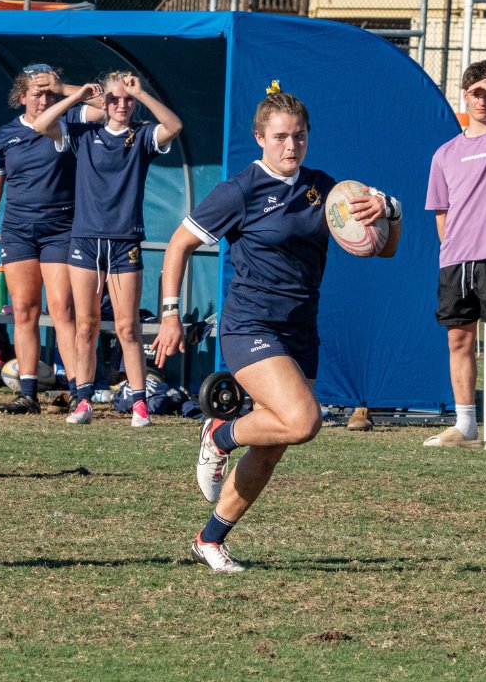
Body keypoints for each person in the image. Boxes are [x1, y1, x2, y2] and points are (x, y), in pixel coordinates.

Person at [151, 85, 402, 572]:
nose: (292, 147)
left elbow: (384, 248)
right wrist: (168, 313)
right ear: (260, 138)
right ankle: (220, 433)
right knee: (303, 421)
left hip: (300, 329)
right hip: (250, 325)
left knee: (272, 448)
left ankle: (209, 540)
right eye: (282, 137)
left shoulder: (326, 189)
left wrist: (388, 211)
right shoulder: (240, 191)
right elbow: (179, 245)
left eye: (300, 137)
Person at [33, 71, 183, 427]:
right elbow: (41, 125)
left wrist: (141, 93)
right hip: (84, 241)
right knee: (85, 324)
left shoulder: (143, 136)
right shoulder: (85, 134)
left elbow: (174, 126)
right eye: (113, 99)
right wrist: (79, 94)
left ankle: (139, 404)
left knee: (128, 328)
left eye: (126, 99)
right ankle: (83, 400)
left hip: (124, 242)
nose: (120, 104)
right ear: (102, 103)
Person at [0, 63, 78, 414]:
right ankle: (27, 393)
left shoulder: (68, 125)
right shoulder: (4, 136)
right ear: (21, 98)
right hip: (17, 233)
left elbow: (107, 100)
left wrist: (63, 89)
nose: (44, 99)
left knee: (62, 308)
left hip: (61, 229)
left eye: (49, 93)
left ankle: (79, 392)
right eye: (38, 93)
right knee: (24, 310)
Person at [424, 60, 486, 449]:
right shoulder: (445, 154)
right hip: (456, 262)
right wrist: (452, 250)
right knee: (459, 340)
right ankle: (466, 425)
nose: (483, 100)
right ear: (465, 96)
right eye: (476, 92)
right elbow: (442, 212)